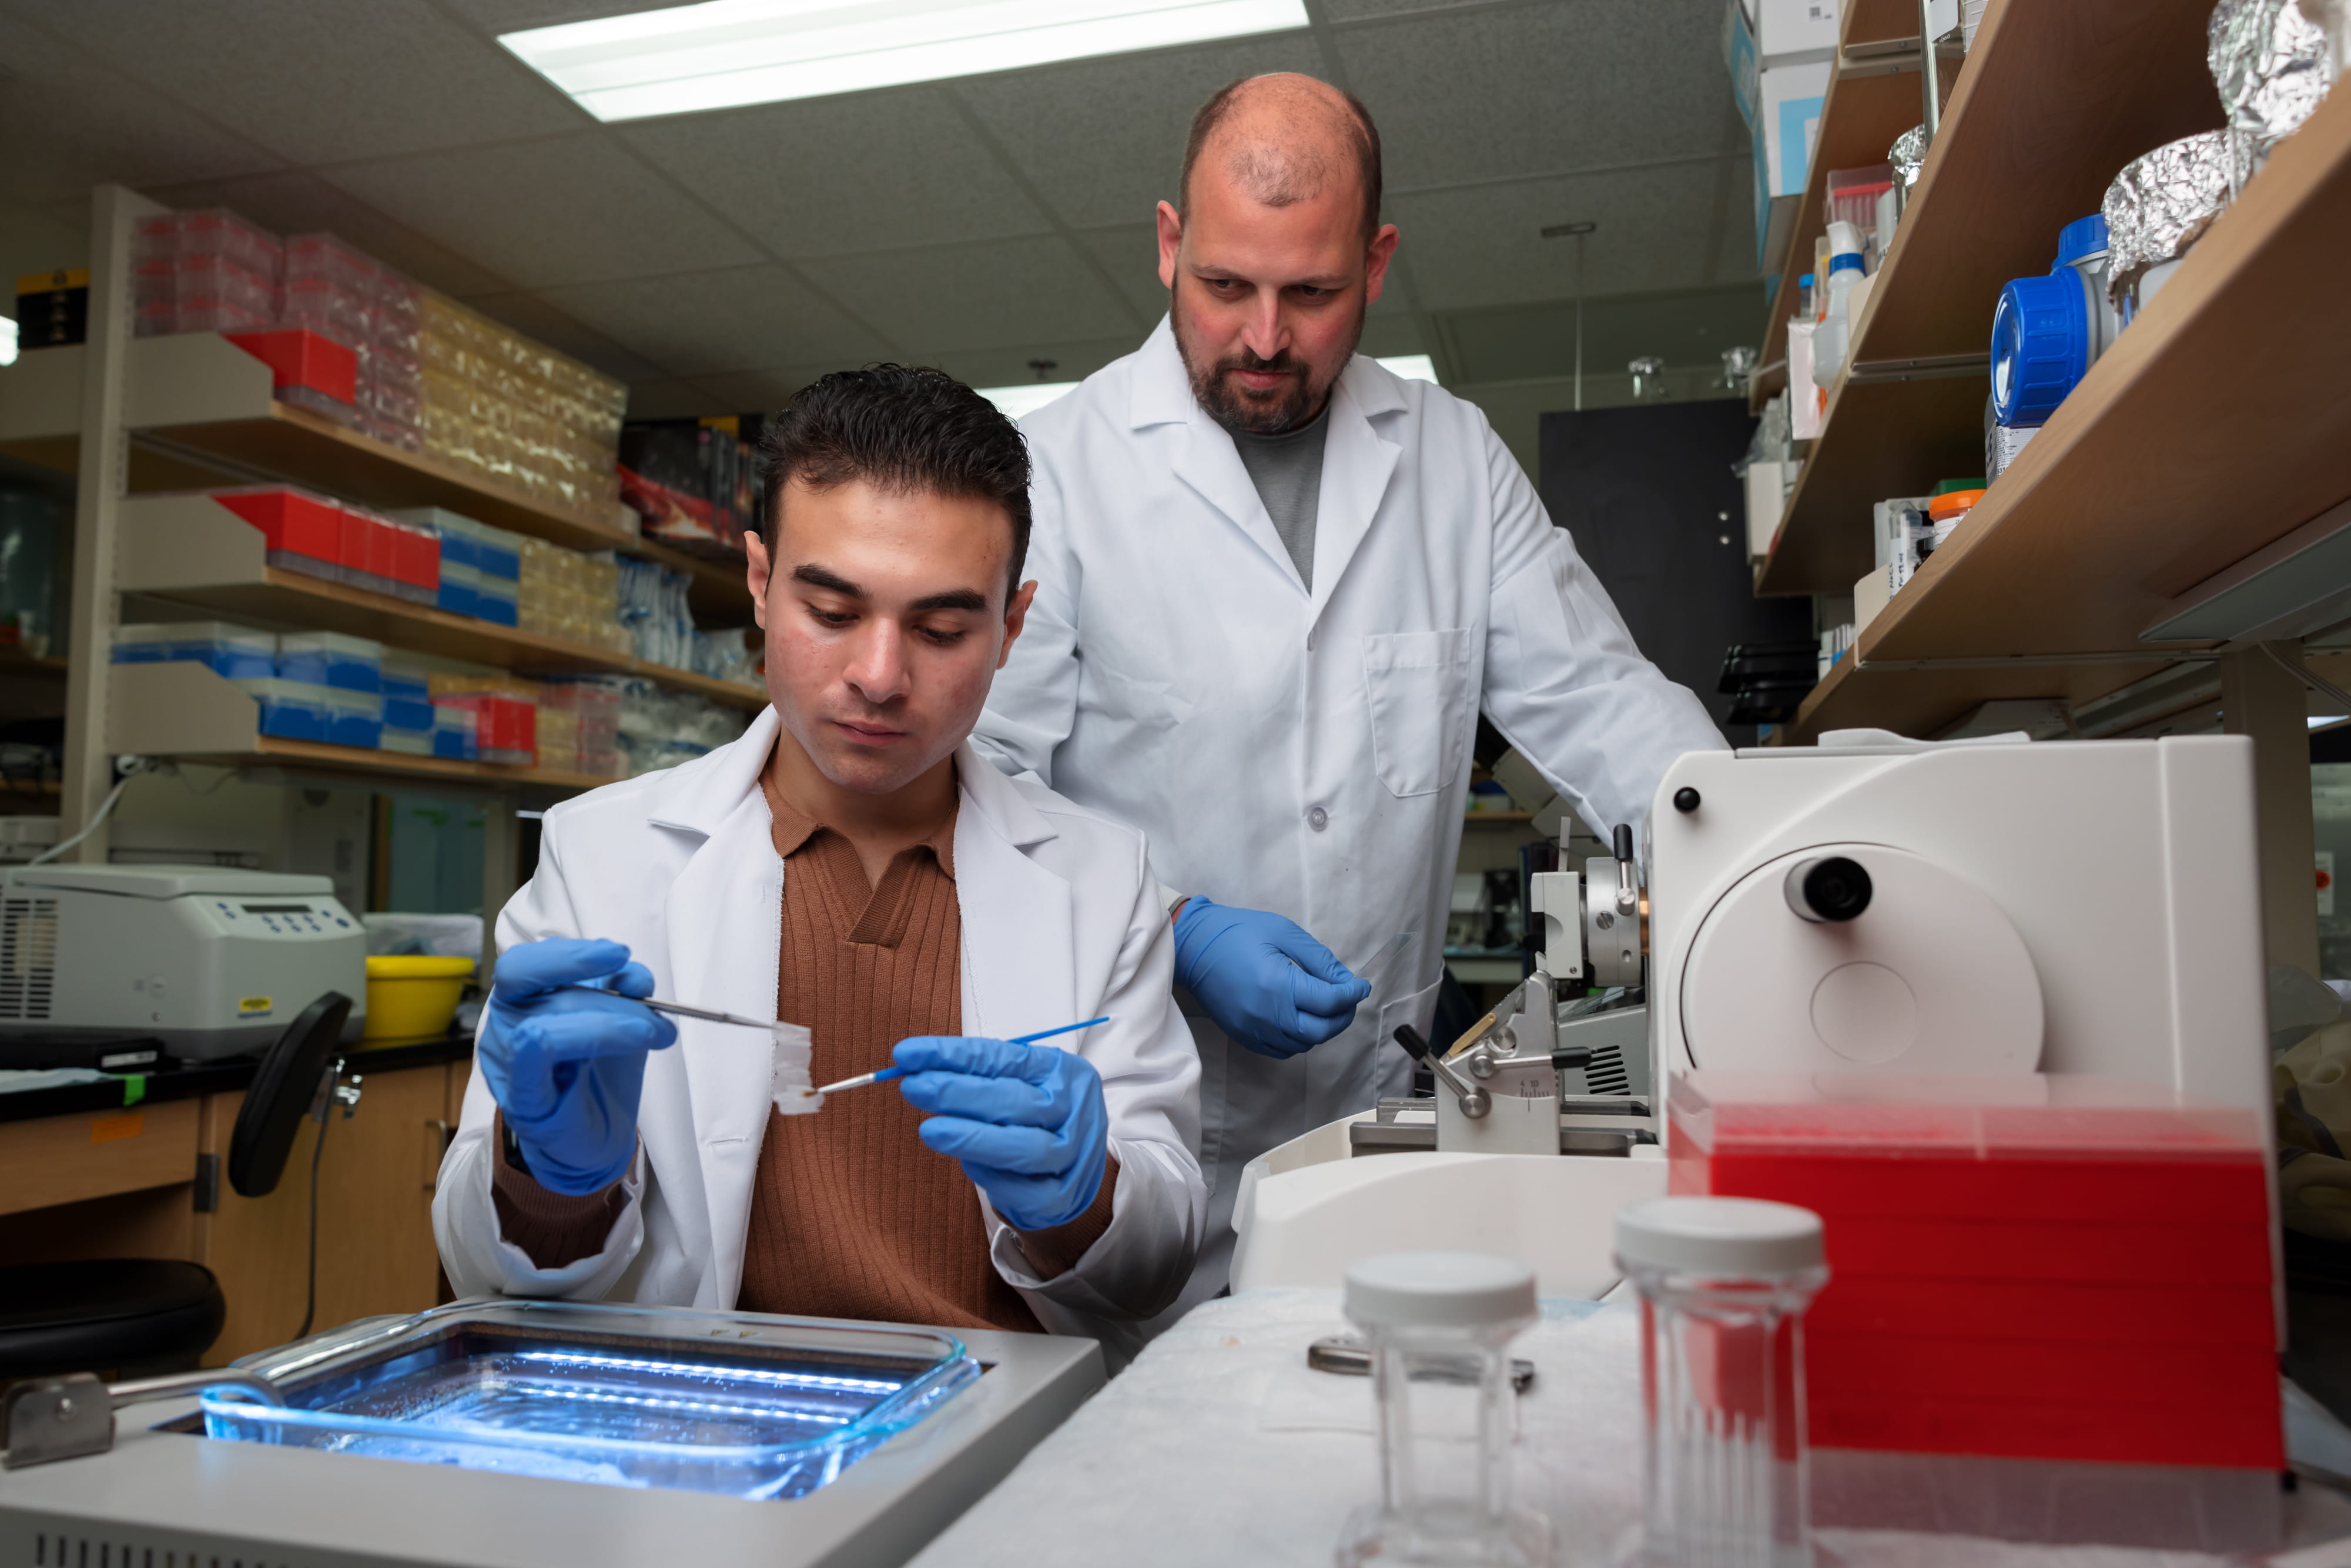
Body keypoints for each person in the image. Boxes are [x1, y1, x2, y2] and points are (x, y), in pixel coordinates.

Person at [973, 73, 1724, 1320]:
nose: (1262, 338)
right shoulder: (1056, 472)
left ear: (1374, 265)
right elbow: (985, 791)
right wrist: (1175, 928)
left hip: (1384, 1135)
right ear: (1170, 245)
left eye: (1309, 294)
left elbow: (1609, 707)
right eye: (1223, 285)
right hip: (1143, 1132)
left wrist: (1759, 859)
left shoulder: (1450, 459)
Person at [436, 366, 1207, 1350]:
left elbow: (1158, 1267)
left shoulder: (1103, 882)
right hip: (702, 1433)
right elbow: (479, 1270)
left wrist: (1085, 1201)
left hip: (1007, 1436)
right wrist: (544, 1177)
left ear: (1012, 627)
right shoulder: (604, 855)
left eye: (941, 627)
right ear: (759, 583)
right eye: (833, 612)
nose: (879, 677)